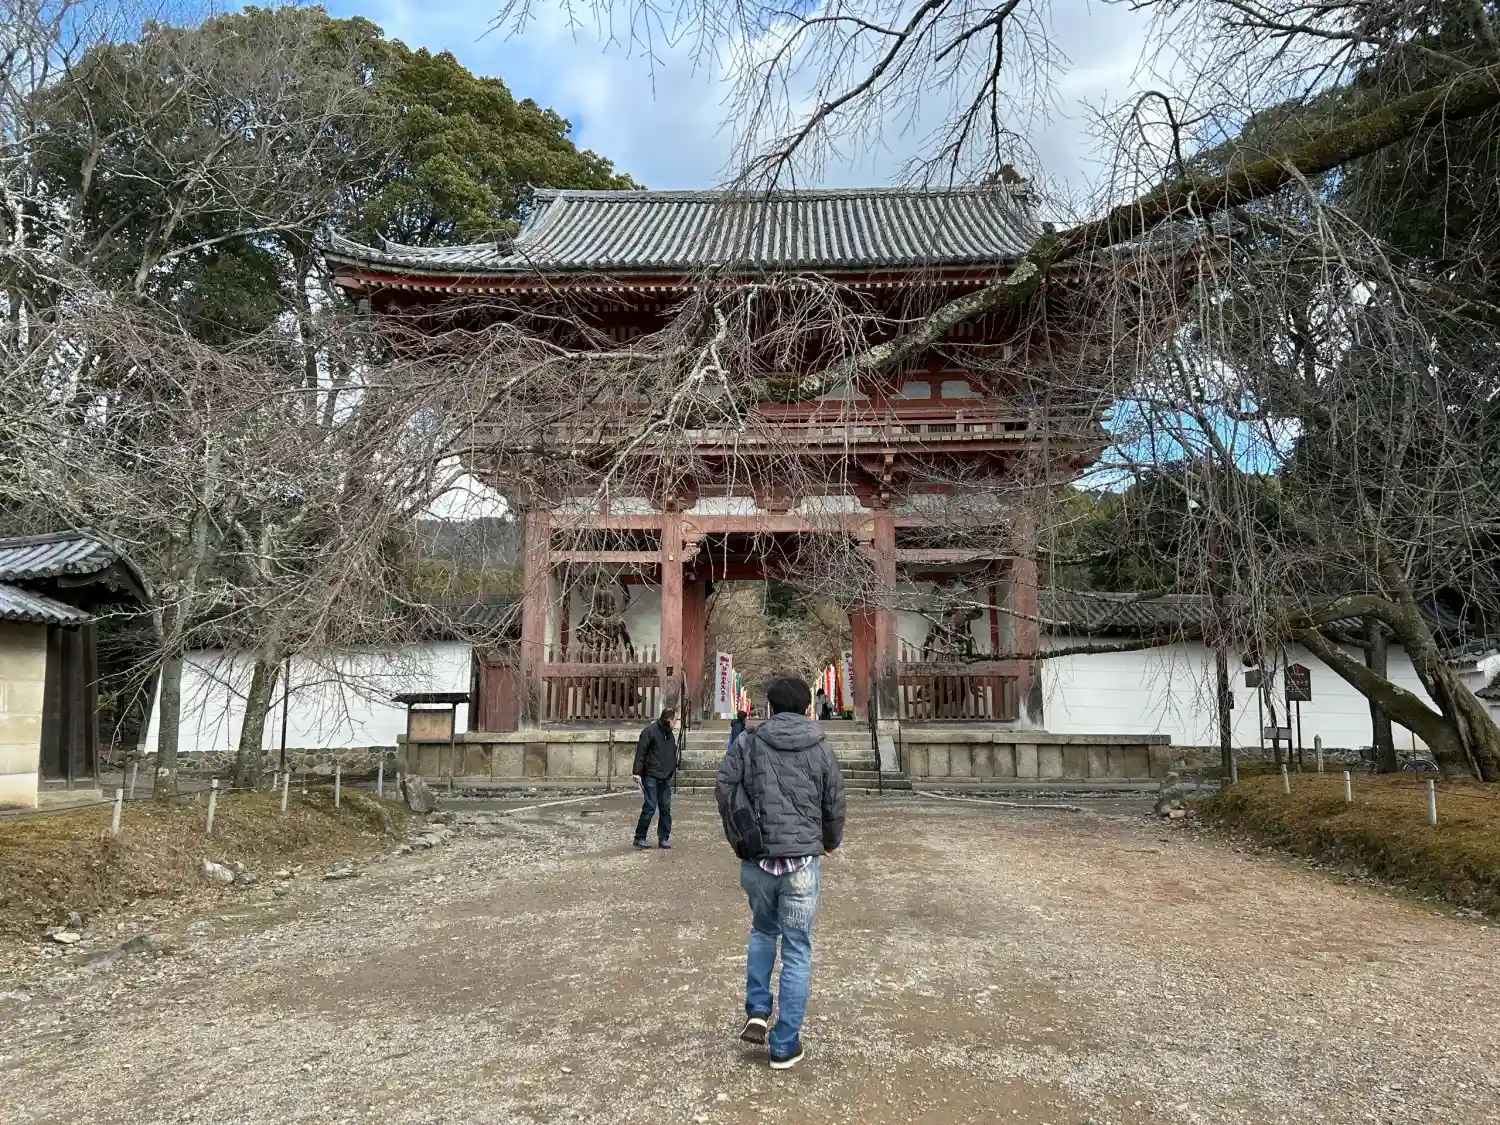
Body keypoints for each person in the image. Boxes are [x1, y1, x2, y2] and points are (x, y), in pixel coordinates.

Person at [714, 676, 846, 1071]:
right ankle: (785, 1044)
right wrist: (830, 840)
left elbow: (724, 786)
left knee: (762, 931)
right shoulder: (821, 747)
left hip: (759, 858)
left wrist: (740, 830)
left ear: (769, 707)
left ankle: (757, 1009)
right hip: (802, 861)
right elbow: (834, 801)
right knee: (797, 949)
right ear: (807, 708)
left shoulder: (748, 742)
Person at [632, 708, 678, 849]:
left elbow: (671, 752)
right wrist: (637, 772)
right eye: (675, 720)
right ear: (669, 720)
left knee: (665, 808)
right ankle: (640, 837)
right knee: (650, 807)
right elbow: (641, 752)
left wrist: (672, 768)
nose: (676, 722)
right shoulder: (649, 732)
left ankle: (663, 838)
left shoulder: (669, 734)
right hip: (651, 774)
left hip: (665, 776)